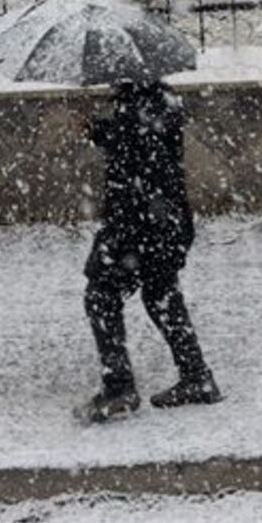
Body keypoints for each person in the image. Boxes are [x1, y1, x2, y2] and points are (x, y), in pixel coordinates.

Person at [78, 77, 221, 423]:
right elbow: (141, 146)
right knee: (160, 293)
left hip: (139, 223)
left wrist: (105, 131)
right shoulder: (156, 100)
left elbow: (140, 156)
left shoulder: (141, 107)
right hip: (163, 222)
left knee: (101, 295)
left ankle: (119, 388)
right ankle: (197, 376)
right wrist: (100, 130)